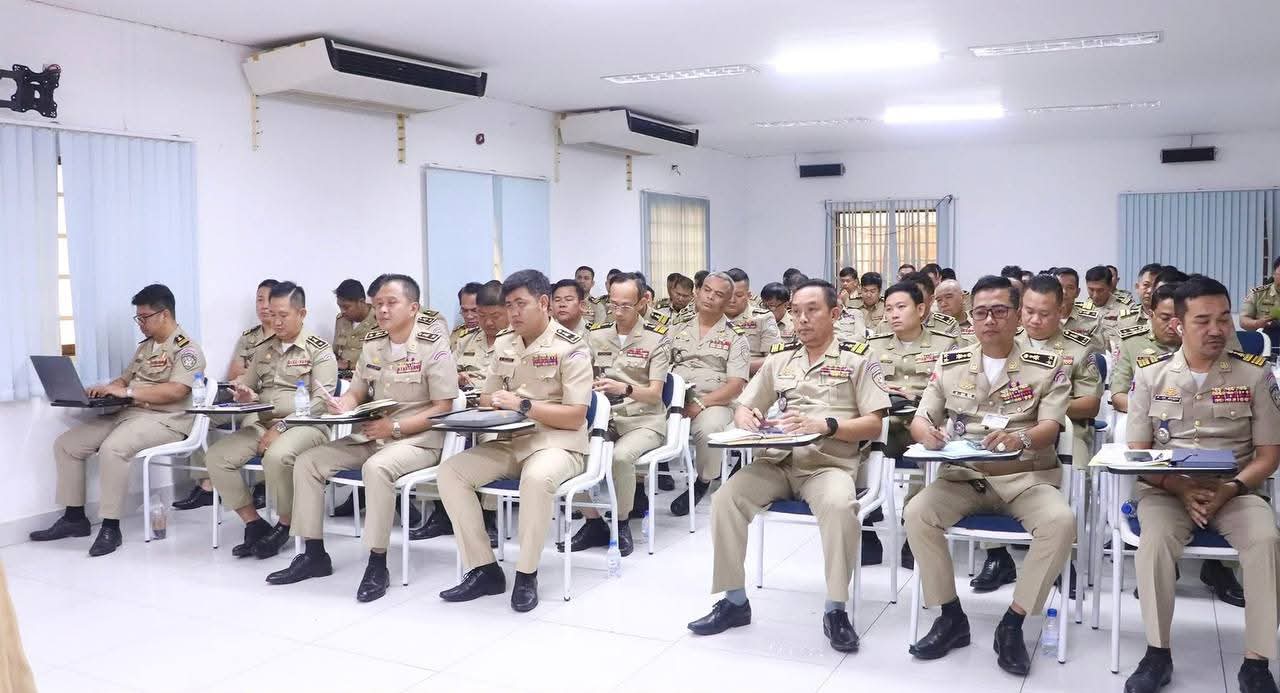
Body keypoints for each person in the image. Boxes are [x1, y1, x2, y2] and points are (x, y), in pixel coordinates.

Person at [687, 279, 890, 653]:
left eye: (812, 310)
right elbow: (746, 405)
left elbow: (875, 424)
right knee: (726, 499)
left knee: (840, 507)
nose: (802, 319)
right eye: (796, 312)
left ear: (834, 313)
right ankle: (734, 601)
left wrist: (826, 425)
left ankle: (835, 608)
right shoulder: (779, 359)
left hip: (827, 465)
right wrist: (747, 417)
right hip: (777, 462)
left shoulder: (858, 360)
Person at [906, 275, 1074, 676]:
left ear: (1017, 315)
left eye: (999, 311)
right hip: (964, 477)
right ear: (971, 317)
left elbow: (1051, 426)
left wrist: (1020, 437)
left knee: (1061, 523)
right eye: (981, 312)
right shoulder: (951, 363)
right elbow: (921, 418)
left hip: (1024, 476)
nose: (989, 320)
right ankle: (950, 617)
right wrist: (926, 434)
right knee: (917, 513)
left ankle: (1013, 622)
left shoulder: (1047, 366)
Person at [1123, 276, 1280, 693]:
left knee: (1266, 541)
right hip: (1166, 489)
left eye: (1224, 319)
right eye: (1203, 320)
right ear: (1178, 325)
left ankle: (1257, 662)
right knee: (1155, 542)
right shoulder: (1151, 375)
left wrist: (1230, 489)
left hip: (1236, 489)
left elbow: (1268, 456)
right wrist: (1180, 488)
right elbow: (1137, 454)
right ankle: (1157, 654)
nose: (1216, 329)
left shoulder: (1255, 375)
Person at [267, 275, 457, 601]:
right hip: (374, 434)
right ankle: (313, 554)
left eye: (391, 303)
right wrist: (345, 403)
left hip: (418, 440)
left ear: (413, 308)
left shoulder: (433, 345)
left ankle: (376, 562)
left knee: (376, 468)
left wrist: (395, 429)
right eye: (378, 304)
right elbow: (357, 390)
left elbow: (443, 408)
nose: (382, 310)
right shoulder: (373, 343)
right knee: (309, 461)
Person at [435, 270, 592, 613]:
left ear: (544, 302)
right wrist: (493, 403)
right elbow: (488, 396)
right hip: (512, 440)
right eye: (509, 305)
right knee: (450, 473)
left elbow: (576, 415)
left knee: (535, 479)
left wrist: (523, 405)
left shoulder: (572, 346)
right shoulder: (505, 343)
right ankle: (484, 569)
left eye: (521, 304)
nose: (514, 312)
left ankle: (526, 574)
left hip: (558, 443)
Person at [30, 284, 207, 557]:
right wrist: (107, 389)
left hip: (167, 419)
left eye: (144, 317)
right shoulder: (146, 347)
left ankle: (111, 527)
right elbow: (126, 379)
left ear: (164, 314)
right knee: (67, 444)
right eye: (138, 317)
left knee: (113, 448)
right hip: (130, 414)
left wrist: (128, 392)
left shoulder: (187, 349)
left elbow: (177, 390)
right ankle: (74, 518)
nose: (140, 323)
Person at [969, 274, 1101, 594]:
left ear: (1061, 311)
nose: (1034, 320)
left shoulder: (1080, 348)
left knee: (1079, 471)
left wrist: (1045, 410)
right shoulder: (1003, 341)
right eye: (1028, 311)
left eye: (1044, 313)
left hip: (1065, 432)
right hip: (1007, 429)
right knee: (982, 464)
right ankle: (996, 555)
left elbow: (1091, 404)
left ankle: (1062, 557)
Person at [204, 282, 337, 560]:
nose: (276, 321)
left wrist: (283, 426)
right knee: (217, 457)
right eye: (272, 314)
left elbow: (321, 402)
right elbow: (248, 385)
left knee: (277, 456)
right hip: (263, 423)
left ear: (301, 313)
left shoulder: (319, 350)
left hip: (306, 425)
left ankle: (284, 524)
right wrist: (245, 395)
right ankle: (254, 523)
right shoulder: (264, 349)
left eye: (283, 315)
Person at [566, 272, 672, 555]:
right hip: (606, 415)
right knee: (569, 453)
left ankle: (621, 522)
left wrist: (623, 388)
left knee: (620, 457)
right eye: (614, 304)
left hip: (643, 419)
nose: (618, 311)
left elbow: (655, 394)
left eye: (626, 305)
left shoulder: (657, 338)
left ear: (642, 302)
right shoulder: (597, 335)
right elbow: (581, 372)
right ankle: (593, 522)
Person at [864, 281, 956, 569]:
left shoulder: (945, 344)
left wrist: (919, 400)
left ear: (921, 309)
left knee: (928, 454)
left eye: (901, 307)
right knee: (855, 442)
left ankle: (913, 530)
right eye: (889, 308)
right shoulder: (874, 345)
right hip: (887, 421)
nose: (893, 314)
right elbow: (860, 387)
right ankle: (866, 524)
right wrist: (883, 390)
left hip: (925, 419)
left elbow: (953, 391)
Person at [415, 280, 508, 542]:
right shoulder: (466, 340)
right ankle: (441, 512)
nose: (486, 322)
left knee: (491, 441)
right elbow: (445, 371)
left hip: (497, 414)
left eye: (493, 316)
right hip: (462, 408)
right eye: (481, 315)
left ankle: (488, 516)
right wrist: (455, 377)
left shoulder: (515, 342)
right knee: (437, 435)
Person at [173, 279, 276, 511]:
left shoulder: (284, 337)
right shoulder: (248, 337)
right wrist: (248, 379)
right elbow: (234, 374)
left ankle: (263, 485)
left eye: (269, 300)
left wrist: (249, 378)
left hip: (265, 403)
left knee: (254, 424)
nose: (263, 305)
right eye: (259, 300)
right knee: (200, 418)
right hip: (240, 398)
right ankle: (207, 486)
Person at [668, 271, 750, 516]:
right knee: (642, 422)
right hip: (674, 397)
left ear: (727, 301)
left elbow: (735, 385)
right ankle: (641, 490)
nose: (710, 297)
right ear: (698, 291)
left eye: (719, 294)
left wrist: (700, 404)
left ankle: (703, 480)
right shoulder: (675, 328)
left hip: (716, 401)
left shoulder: (736, 338)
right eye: (706, 290)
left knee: (708, 429)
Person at [724, 268, 781, 375]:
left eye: (738, 295)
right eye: (728, 294)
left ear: (749, 295)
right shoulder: (712, 318)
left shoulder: (763, 318)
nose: (732, 300)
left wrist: (734, 369)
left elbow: (775, 358)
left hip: (750, 379)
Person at [332, 278, 376, 371]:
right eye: (339, 306)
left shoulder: (378, 320)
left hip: (367, 375)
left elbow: (383, 359)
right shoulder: (341, 320)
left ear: (361, 302)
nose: (342, 311)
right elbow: (335, 352)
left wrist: (349, 365)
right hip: (341, 375)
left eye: (346, 307)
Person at [1054, 267, 1104, 347]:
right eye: (1059, 287)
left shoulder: (1093, 321)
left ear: (1077, 292)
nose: (1064, 292)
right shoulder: (1041, 319)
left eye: (1070, 288)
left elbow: (1099, 350)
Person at [1085, 264, 1136, 339]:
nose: (1095, 295)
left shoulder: (1127, 307)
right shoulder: (1082, 308)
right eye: (1091, 290)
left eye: (1100, 290)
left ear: (1110, 286)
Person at [1240, 256, 1280, 348]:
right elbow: (1243, 321)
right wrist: (1257, 323)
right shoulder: (1258, 294)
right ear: (1274, 274)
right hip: (1264, 345)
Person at [934, 279, 972, 343]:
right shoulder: (933, 330)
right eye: (939, 300)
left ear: (963, 298)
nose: (943, 304)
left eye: (948, 297)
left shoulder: (978, 323)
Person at [451, 282, 485, 348]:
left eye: (474, 311)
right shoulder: (457, 334)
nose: (469, 316)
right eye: (465, 310)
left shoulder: (494, 333)